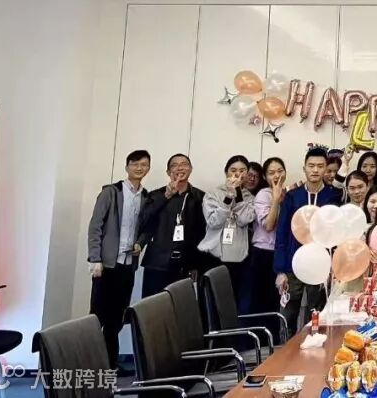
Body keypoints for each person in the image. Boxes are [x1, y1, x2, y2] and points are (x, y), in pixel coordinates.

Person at [87, 149, 150, 368]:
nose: (139, 168)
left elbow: (146, 228)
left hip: (127, 265)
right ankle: (91, 363)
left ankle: (111, 364)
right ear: (127, 167)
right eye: (135, 164)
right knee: (97, 317)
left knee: (116, 319)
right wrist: (95, 258)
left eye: (143, 165)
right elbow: (95, 226)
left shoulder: (146, 197)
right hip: (105, 265)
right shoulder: (111, 192)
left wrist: (140, 242)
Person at [274, 147, 342, 334]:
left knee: (316, 313)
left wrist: (332, 266)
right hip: (292, 263)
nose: (315, 170)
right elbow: (282, 233)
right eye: (311, 166)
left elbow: (335, 233)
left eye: (320, 166)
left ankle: (314, 347)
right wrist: (280, 271)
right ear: (304, 168)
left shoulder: (333, 197)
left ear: (326, 168)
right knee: (288, 313)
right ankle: (285, 349)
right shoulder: (292, 196)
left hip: (320, 265)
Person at [138, 153, 206, 298]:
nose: (180, 168)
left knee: (180, 306)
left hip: (185, 264)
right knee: (153, 306)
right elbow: (144, 220)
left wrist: (196, 264)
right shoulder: (156, 195)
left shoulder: (200, 197)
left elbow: (202, 233)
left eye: (184, 164)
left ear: (191, 169)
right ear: (168, 172)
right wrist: (165, 197)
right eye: (174, 165)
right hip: (157, 263)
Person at [199, 155, 256, 312]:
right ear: (226, 172)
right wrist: (228, 198)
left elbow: (244, 220)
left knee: (233, 305)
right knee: (211, 305)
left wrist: (237, 195)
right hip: (213, 256)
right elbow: (214, 222)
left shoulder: (249, 197)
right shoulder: (213, 193)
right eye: (233, 170)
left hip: (238, 258)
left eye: (242, 170)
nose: (237, 174)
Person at [249, 157, 285, 314]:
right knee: (262, 301)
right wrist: (275, 200)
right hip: (263, 253)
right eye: (271, 173)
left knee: (276, 301)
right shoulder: (263, 195)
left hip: (279, 252)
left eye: (280, 171)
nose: (276, 175)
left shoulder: (287, 193)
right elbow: (269, 226)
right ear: (265, 176)